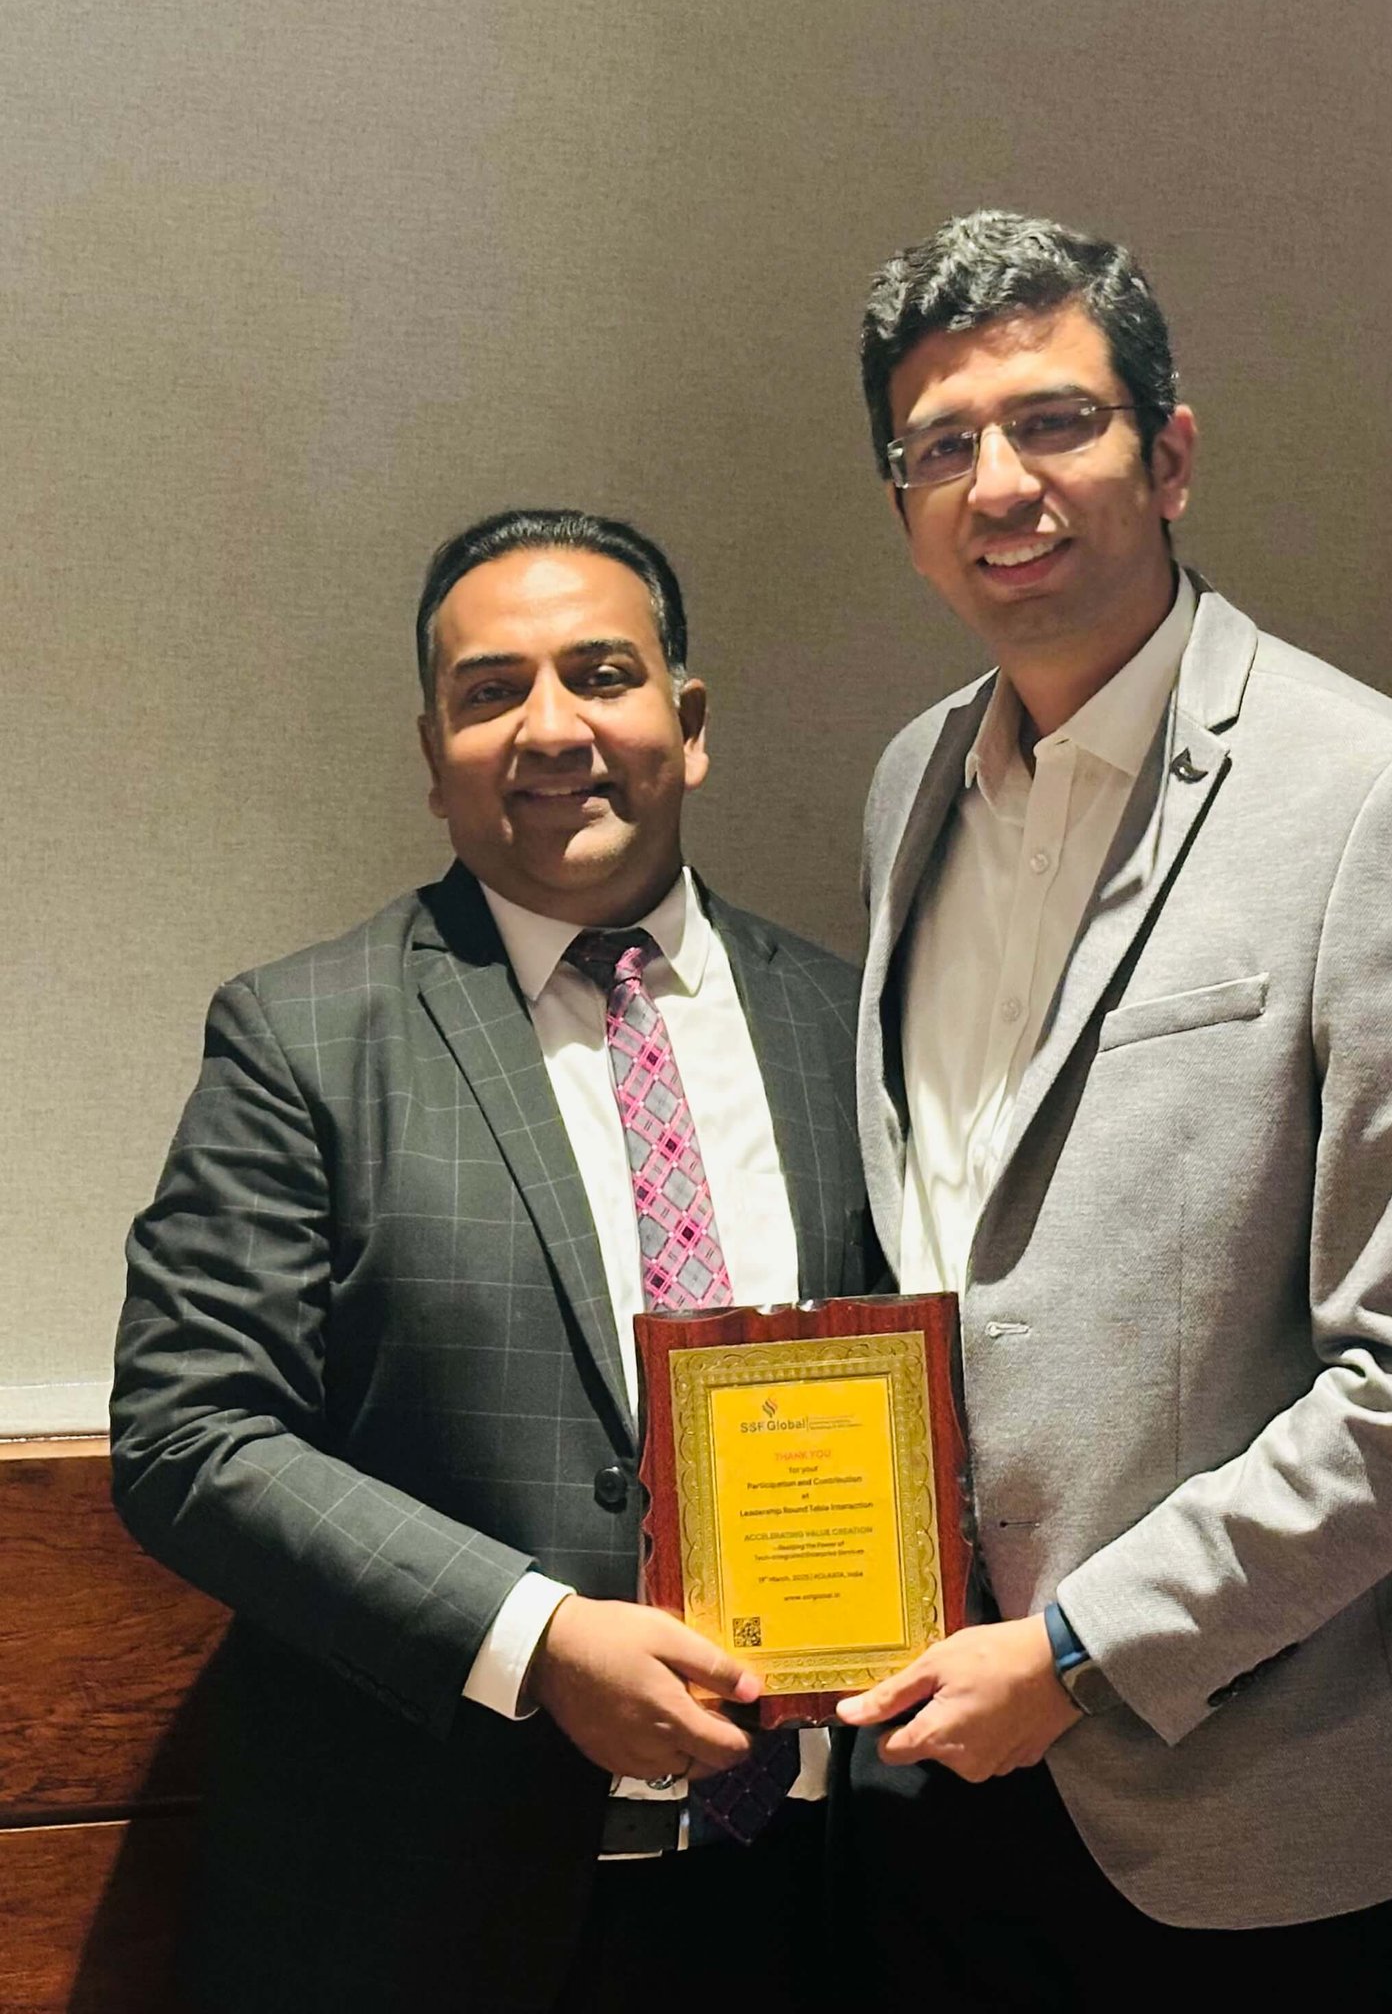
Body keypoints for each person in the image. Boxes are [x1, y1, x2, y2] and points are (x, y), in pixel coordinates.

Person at [833, 211, 1392, 2009]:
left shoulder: (1379, 796)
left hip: (1256, 1788)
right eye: (942, 445)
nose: (1000, 482)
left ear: (1168, 457)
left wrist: (1080, 1652)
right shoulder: (909, 783)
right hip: (934, 1761)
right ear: (905, 507)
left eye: (1053, 422)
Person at [111, 508, 874, 2014]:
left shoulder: (851, 1028)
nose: (551, 729)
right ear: (432, 750)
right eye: (489, 691)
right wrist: (538, 1638)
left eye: (602, 674)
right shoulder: (304, 1039)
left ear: (689, 724)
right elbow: (188, 1437)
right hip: (425, 1902)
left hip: (808, 1892)